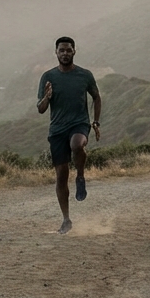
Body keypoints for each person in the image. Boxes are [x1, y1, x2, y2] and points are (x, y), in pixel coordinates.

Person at [36, 36, 101, 234]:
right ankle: (66, 219)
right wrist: (47, 97)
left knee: (77, 145)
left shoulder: (85, 75)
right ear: (56, 53)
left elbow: (96, 97)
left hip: (79, 124)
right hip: (57, 131)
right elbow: (41, 109)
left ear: (74, 51)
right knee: (61, 176)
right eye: (61, 50)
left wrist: (96, 122)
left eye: (68, 50)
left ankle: (80, 176)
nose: (65, 53)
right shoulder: (48, 77)